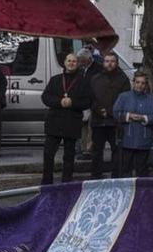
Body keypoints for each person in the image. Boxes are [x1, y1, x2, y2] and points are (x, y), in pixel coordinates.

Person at [41, 53, 92, 185]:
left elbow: (88, 101)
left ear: (78, 63)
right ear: (64, 62)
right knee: (48, 154)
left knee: (69, 157)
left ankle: (66, 183)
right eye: (69, 60)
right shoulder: (55, 79)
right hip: (54, 122)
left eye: (74, 61)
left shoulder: (83, 81)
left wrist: (73, 102)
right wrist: (59, 102)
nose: (71, 63)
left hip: (72, 122)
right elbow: (45, 97)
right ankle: (47, 182)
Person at [89, 52, 131, 179]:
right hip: (98, 121)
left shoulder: (123, 79)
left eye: (112, 61)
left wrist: (111, 111)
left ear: (117, 63)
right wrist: (98, 109)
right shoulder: (95, 78)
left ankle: (116, 178)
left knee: (117, 151)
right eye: (107, 61)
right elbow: (90, 97)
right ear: (103, 62)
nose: (109, 63)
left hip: (115, 122)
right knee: (97, 152)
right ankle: (95, 178)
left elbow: (125, 99)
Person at [112, 71, 153, 178]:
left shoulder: (152, 99)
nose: (140, 85)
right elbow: (115, 113)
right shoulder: (123, 97)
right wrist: (129, 116)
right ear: (133, 83)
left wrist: (144, 118)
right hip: (127, 139)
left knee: (142, 171)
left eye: (143, 83)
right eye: (138, 82)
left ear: (146, 85)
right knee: (125, 170)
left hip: (144, 140)